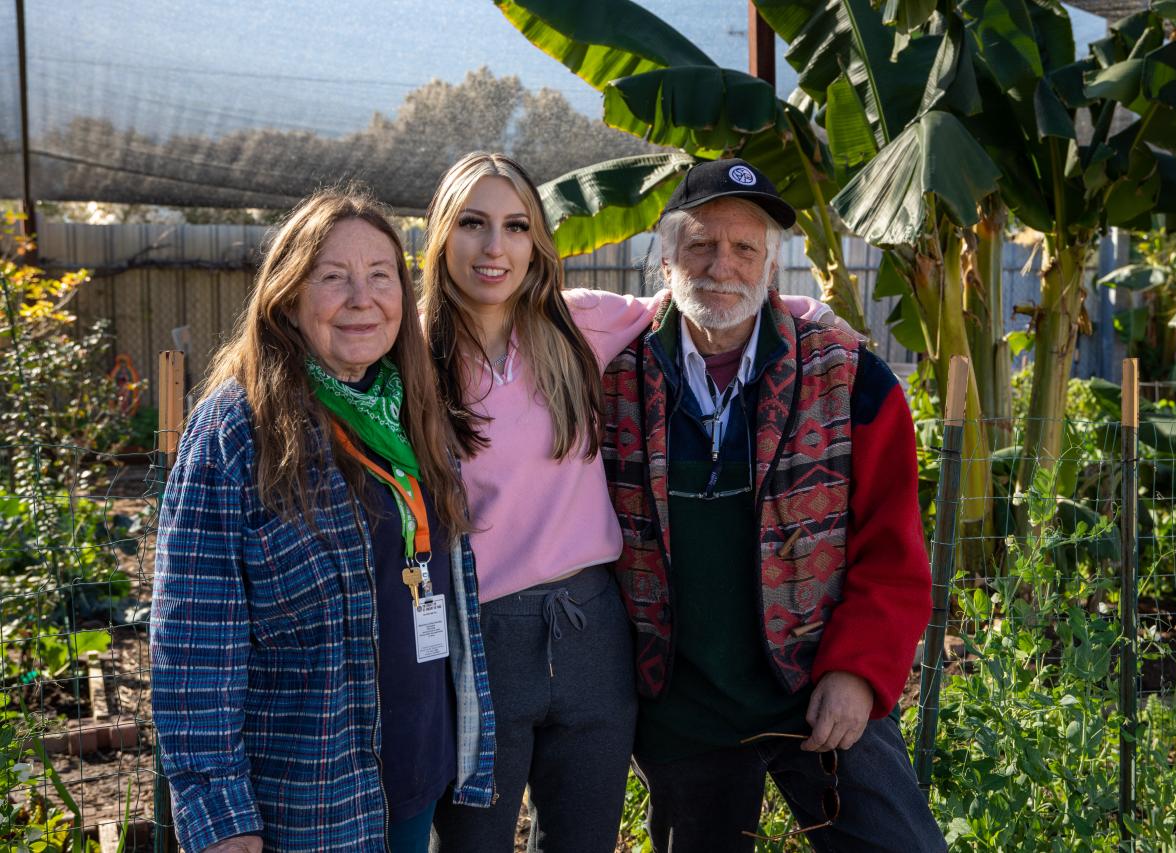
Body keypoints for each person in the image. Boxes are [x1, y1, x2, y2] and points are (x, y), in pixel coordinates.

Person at [421, 152, 833, 853]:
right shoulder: (409, 355)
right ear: (440, 235)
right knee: (471, 841)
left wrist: (814, 314)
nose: (495, 247)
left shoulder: (577, 324)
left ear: (536, 242)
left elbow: (704, 299)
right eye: (472, 223)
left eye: (516, 226)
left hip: (592, 631)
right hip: (478, 634)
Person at [601, 158, 947, 852]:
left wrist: (857, 671)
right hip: (685, 709)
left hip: (818, 685)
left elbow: (893, 549)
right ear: (666, 260)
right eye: (701, 244)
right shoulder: (611, 382)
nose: (721, 265)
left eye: (744, 247)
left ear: (771, 266)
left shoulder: (850, 379)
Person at [151, 189, 495, 853]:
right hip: (310, 800)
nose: (362, 299)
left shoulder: (411, 407)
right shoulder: (238, 428)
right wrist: (222, 817)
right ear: (287, 297)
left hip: (415, 774)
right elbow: (193, 640)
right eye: (334, 277)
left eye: (381, 276)